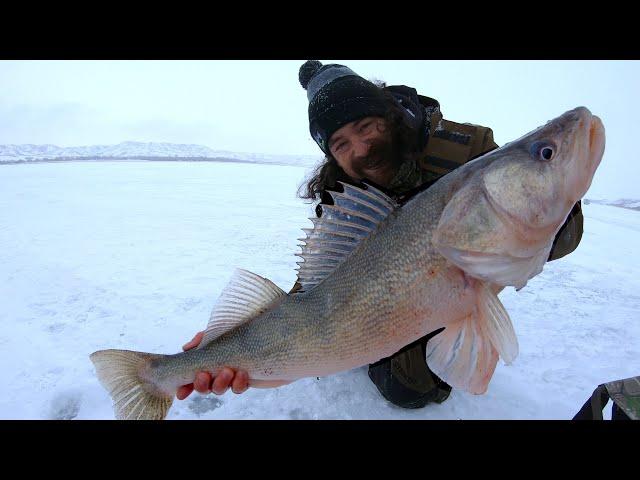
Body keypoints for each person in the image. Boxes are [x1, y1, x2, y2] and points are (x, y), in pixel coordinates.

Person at [176, 60, 585, 408]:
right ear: (331, 154)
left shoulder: (468, 149)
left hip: (435, 292)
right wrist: (230, 338)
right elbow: (321, 277)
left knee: (410, 389)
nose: (360, 147)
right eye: (340, 143)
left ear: (387, 114)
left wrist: (551, 210)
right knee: (394, 379)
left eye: (366, 125)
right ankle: (348, 350)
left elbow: (560, 236)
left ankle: (370, 347)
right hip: (371, 306)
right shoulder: (342, 195)